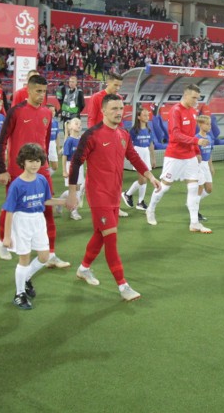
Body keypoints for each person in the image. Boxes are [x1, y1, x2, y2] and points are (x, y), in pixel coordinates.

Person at [66, 93, 161, 302]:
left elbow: (133, 156)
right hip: (97, 194)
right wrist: (73, 193)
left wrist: (150, 176)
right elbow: (75, 163)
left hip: (114, 194)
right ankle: (122, 286)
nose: (119, 113)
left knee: (101, 235)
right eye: (114, 109)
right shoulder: (91, 135)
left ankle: (83, 268)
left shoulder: (123, 134)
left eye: (121, 109)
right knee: (111, 238)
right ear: (103, 111)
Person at [0, 75, 69, 269]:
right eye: (38, 91)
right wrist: (2, 170)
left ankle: (51, 254)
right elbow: (1, 141)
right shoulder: (16, 112)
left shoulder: (47, 112)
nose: (42, 95)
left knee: (47, 209)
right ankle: (3, 240)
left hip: (41, 170)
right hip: (16, 169)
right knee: (11, 208)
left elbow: (45, 143)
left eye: (45, 91)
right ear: (28, 90)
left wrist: (44, 165)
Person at [2, 144, 69, 310]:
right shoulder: (16, 185)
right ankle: (19, 294)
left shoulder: (42, 180)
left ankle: (25, 279)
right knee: (24, 258)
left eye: (38, 161)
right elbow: (9, 211)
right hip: (21, 222)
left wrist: (63, 202)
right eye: (30, 161)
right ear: (22, 162)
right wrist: (7, 236)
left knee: (45, 257)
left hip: (38, 221)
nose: (34, 164)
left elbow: (45, 200)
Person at [144, 84, 211, 232]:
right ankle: (150, 209)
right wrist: (196, 142)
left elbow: (191, 134)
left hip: (190, 156)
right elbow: (175, 135)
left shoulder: (193, 112)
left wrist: (196, 151)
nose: (196, 101)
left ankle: (194, 223)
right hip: (174, 156)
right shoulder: (175, 111)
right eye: (193, 97)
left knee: (193, 187)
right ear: (185, 95)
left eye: (197, 98)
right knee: (165, 186)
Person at [122, 105, 155, 211]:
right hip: (138, 153)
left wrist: (153, 158)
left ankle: (137, 199)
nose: (147, 116)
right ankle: (130, 195)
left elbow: (151, 145)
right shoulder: (133, 131)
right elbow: (128, 144)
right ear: (139, 117)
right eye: (144, 115)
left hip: (146, 153)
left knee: (144, 179)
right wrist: (130, 157)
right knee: (143, 179)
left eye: (147, 114)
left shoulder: (149, 130)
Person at [58, 118, 86, 220]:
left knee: (77, 189)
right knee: (74, 189)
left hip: (80, 166)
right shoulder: (69, 140)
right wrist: (64, 170)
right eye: (76, 123)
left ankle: (60, 201)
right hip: (70, 165)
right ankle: (74, 211)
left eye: (80, 123)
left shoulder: (81, 139)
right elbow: (64, 156)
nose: (79, 125)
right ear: (70, 126)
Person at [195, 114, 216, 223]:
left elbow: (210, 152)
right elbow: (192, 153)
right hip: (197, 166)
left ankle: (193, 202)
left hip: (206, 165)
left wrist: (211, 166)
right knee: (199, 189)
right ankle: (195, 211)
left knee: (209, 189)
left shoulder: (209, 138)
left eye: (210, 124)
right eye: (207, 124)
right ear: (200, 124)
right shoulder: (196, 138)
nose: (209, 126)